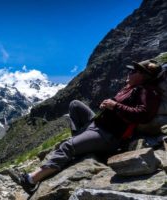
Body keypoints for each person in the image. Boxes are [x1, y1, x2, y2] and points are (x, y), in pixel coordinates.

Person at [9, 59, 163, 194]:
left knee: (67, 146)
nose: (129, 72)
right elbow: (120, 106)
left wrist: (115, 106)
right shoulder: (131, 87)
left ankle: (30, 180)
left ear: (143, 76)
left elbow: (144, 115)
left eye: (134, 71)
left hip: (108, 135)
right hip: (97, 125)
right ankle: (80, 142)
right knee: (75, 105)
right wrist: (108, 104)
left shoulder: (148, 91)